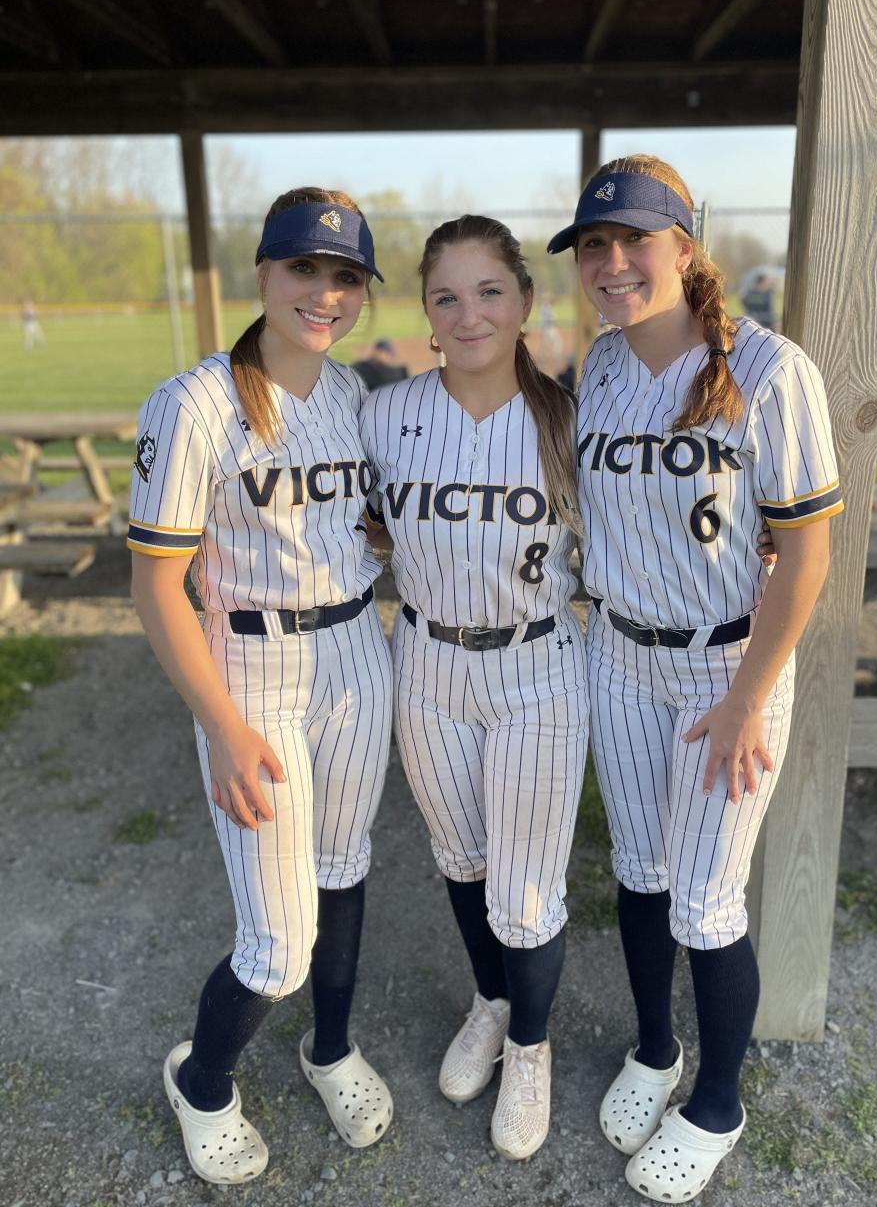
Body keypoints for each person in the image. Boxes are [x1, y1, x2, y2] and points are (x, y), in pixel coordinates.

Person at [548, 155, 843, 1202]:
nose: (614, 262)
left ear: (685, 244)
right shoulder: (604, 367)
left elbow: (807, 552)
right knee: (639, 870)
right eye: (595, 244)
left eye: (636, 239)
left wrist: (749, 695)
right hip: (621, 651)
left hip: (730, 660)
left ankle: (719, 1098)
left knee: (709, 901)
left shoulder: (770, 369)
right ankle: (656, 1047)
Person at [128, 188, 394, 1185]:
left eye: (344, 277)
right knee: (277, 942)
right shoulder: (195, 401)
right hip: (255, 672)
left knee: (344, 864)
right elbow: (155, 582)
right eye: (303, 269)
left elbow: (369, 522)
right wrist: (224, 725)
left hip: (358, 652)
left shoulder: (353, 393)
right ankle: (200, 1080)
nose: (323, 293)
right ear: (263, 274)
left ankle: (329, 1046)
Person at [359, 215, 588, 1162]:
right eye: (447, 296)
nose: (469, 313)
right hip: (427, 661)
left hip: (536, 666)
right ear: (425, 314)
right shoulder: (386, 415)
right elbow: (357, 519)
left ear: (525, 302)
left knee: (526, 890)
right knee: (462, 860)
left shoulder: (571, 422)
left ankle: (530, 1050)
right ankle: (494, 1002)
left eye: (489, 291)